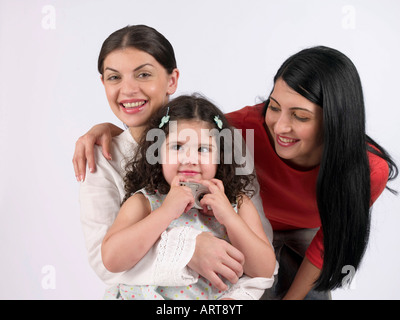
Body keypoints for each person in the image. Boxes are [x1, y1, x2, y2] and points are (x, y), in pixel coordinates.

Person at [74, 45, 398, 299]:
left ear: (335, 121)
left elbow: (290, 257)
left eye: (300, 115)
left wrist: (229, 215)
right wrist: (111, 130)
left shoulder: (366, 170)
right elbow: (184, 127)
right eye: (273, 106)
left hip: (289, 233)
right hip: (251, 232)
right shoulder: (239, 129)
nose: (281, 126)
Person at [78, 24, 273, 296]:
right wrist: (187, 249)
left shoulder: (230, 181)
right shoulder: (140, 194)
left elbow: (264, 268)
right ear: (156, 154)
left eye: (143, 74)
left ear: (172, 80)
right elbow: (107, 262)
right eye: (114, 77)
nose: (128, 89)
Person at [101, 95, 276, 300]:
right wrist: (166, 212)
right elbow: (112, 260)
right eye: (177, 147)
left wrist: (229, 217)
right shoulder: (144, 202)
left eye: (203, 149)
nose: (190, 159)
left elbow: (263, 269)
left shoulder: (237, 204)